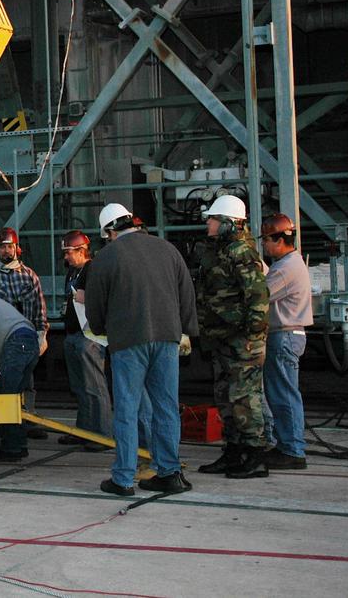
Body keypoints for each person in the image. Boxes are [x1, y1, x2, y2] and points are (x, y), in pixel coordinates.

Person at [87, 203, 197, 496]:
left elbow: (95, 304)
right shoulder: (167, 249)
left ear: (109, 231)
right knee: (166, 407)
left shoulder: (106, 257)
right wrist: (186, 328)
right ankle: (170, 472)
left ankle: (123, 479)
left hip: (128, 341)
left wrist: (99, 328)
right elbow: (186, 292)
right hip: (167, 337)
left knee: (127, 409)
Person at [195, 194, 271, 480]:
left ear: (229, 223)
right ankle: (234, 450)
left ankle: (255, 455)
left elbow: (257, 297)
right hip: (222, 337)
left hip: (241, 340)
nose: (209, 224)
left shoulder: (241, 252)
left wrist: (252, 335)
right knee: (226, 396)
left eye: (213, 220)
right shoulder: (221, 251)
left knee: (245, 396)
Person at [0, 227, 47, 438]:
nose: (7, 251)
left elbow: (39, 306)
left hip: (24, 335)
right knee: (1, 382)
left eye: (10, 247)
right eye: (3, 247)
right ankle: (5, 424)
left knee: (26, 383)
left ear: (17, 248)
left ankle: (26, 419)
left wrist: (42, 333)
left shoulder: (29, 276)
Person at [258, 213, 311, 471]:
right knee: (282, 392)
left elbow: (259, 295)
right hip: (288, 335)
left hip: (284, 336)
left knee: (283, 394)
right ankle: (288, 445)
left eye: (266, 240)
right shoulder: (288, 264)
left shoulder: (286, 268)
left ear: (279, 240)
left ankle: (292, 449)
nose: (264, 245)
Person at [59, 230, 111, 450]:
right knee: (81, 386)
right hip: (74, 333)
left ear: (81, 251)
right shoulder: (73, 272)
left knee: (94, 385)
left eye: (69, 252)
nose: (66, 257)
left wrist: (86, 297)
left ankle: (101, 434)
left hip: (89, 335)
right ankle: (85, 430)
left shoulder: (93, 270)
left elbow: (104, 297)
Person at [0, 293, 40, 462]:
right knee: (15, 398)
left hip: (17, 341)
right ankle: (17, 444)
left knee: (6, 397)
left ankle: (12, 447)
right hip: (28, 339)